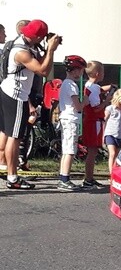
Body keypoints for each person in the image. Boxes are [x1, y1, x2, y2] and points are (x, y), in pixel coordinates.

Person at [1, 19, 61, 190]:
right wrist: (50, 49)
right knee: (15, 136)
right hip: (16, 95)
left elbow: (40, 62)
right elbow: (42, 70)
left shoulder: (24, 43)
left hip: (8, 91)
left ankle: (11, 173)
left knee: (9, 134)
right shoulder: (21, 51)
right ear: (38, 36)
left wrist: (49, 50)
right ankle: (12, 178)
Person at [57, 55, 87, 191]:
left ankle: (63, 177)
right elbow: (78, 107)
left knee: (66, 149)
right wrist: (85, 101)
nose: (81, 73)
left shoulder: (64, 84)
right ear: (74, 70)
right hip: (71, 119)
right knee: (70, 150)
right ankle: (65, 179)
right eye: (81, 70)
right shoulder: (72, 86)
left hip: (65, 118)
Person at [80, 60, 111, 188]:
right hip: (93, 122)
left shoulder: (91, 86)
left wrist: (109, 88)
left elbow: (100, 89)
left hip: (93, 122)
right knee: (92, 151)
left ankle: (90, 177)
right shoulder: (92, 89)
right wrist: (107, 101)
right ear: (98, 74)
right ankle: (88, 178)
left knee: (93, 150)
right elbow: (96, 108)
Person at [104, 88, 121, 174]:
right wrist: (103, 135)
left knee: (118, 155)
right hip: (110, 134)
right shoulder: (110, 108)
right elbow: (104, 121)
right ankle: (111, 173)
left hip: (119, 135)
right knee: (112, 153)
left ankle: (116, 172)